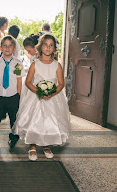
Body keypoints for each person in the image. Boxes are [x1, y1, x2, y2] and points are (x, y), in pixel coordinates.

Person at [13, 33, 71, 161]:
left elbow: (61, 84)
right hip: (36, 96)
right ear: (40, 47)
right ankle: (33, 145)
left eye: (51, 45)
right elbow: (28, 82)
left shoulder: (57, 65)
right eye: (45, 44)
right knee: (35, 120)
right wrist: (39, 92)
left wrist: (51, 93)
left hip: (53, 97)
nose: (48, 48)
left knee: (50, 121)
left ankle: (46, 144)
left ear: (54, 48)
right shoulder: (35, 64)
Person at [0, 35, 25, 149]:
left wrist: (18, 95)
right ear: (0, 48)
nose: (7, 48)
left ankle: (13, 138)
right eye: (5, 45)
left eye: (10, 46)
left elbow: (19, 81)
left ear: (14, 48)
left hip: (13, 96)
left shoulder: (18, 63)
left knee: (14, 120)